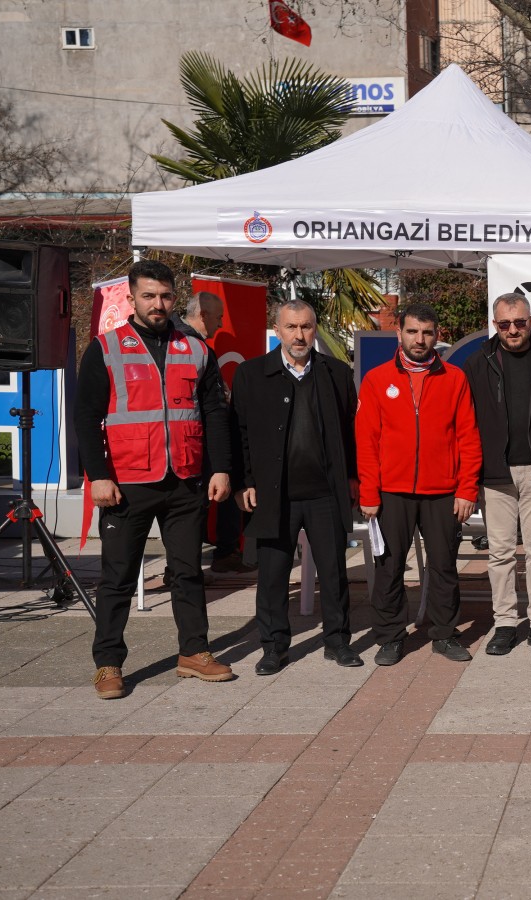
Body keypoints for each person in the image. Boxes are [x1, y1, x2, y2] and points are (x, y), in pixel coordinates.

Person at [74, 260, 234, 699]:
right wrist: (98, 477)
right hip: (126, 483)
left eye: (164, 296)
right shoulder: (106, 348)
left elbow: (215, 413)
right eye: (148, 296)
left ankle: (194, 653)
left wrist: (220, 467)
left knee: (188, 573)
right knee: (118, 577)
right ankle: (108, 663)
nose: (158, 304)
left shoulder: (197, 348)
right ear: (131, 297)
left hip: (185, 479)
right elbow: (86, 418)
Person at [231, 300, 362, 674]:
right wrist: (244, 483)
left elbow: (350, 433)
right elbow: (238, 433)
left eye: (306, 327)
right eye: (291, 327)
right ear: (278, 329)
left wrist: (353, 477)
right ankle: (273, 646)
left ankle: (338, 642)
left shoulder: (336, 372)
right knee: (272, 574)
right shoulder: (252, 374)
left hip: (325, 493)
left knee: (335, 572)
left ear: (314, 328)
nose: (299, 335)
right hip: (275, 494)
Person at [358, 302, 482, 664]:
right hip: (391, 492)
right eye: (412, 331)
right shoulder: (377, 379)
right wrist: (369, 492)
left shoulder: (455, 378)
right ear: (399, 333)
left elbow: (468, 438)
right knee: (390, 566)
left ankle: (444, 634)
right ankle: (391, 637)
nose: (419, 339)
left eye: (427, 332)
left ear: (437, 335)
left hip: (442, 491)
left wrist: (466, 489)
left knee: (443, 565)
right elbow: (366, 442)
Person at [464, 293, 531, 656]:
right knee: (501, 553)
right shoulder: (478, 362)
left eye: (520, 322)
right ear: (495, 325)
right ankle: (505, 623)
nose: (513, 330)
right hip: (496, 472)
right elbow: (466, 422)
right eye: (505, 324)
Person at [169, 291, 250, 577]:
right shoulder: (185, 345)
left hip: (194, 439)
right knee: (191, 510)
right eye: (218, 317)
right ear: (202, 315)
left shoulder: (187, 342)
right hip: (193, 441)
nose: (222, 323)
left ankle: (219, 555)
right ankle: (182, 568)